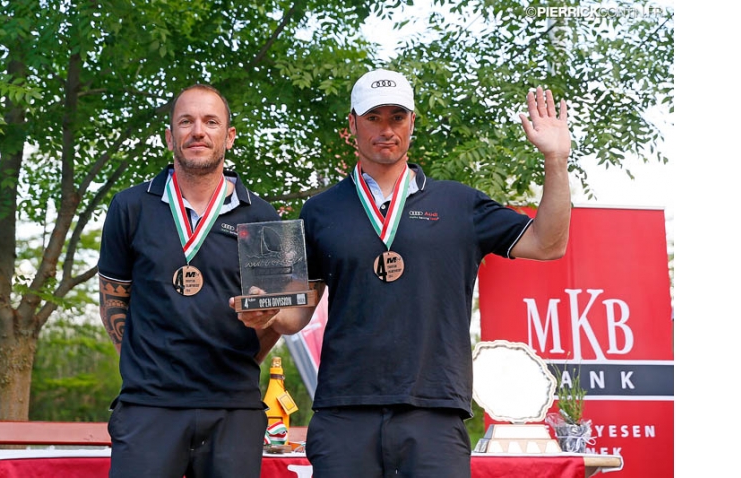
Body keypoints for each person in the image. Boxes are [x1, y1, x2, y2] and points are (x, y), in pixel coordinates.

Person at [235, 68, 572, 477]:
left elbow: (549, 243)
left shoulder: (459, 204)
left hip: (433, 410)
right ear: (352, 125)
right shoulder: (320, 211)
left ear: (412, 122)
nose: (386, 129)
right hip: (345, 412)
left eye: (397, 117)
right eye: (374, 117)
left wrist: (555, 160)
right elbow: (297, 312)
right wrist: (267, 311)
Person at [98, 84, 283, 478]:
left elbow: (274, 314)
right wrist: (145, 366)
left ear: (229, 137)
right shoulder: (130, 206)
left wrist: (243, 361)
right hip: (149, 406)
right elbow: (114, 300)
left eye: (211, 122)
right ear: (170, 137)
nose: (198, 131)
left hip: (234, 406)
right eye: (186, 121)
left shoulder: (262, 215)